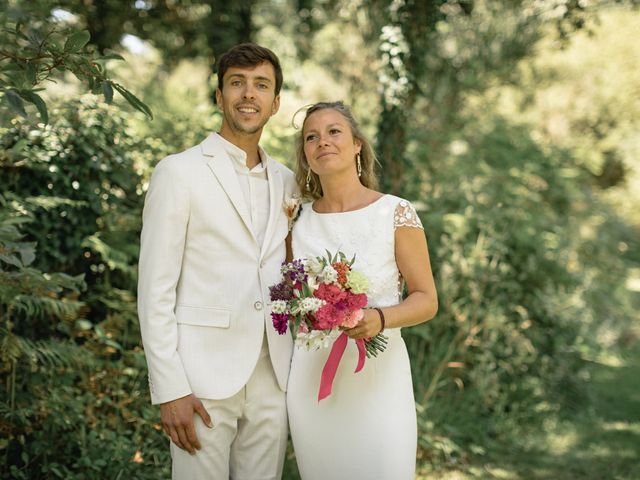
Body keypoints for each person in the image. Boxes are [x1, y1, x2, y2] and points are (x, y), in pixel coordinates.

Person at [137, 43, 297, 479]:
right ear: (219, 96)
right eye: (237, 84)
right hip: (200, 379)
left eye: (261, 85)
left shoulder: (289, 181)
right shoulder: (179, 172)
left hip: (273, 375)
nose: (249, 94)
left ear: (275, 103)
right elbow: (155, 289)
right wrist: (169, 388)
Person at [287, 101, 438, 479]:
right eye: (311, 137)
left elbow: (427, 300)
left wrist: (379, 318)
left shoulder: (395, 212)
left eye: (334, 131)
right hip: (312, 381)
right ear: (305, 154)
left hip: (379, 381)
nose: (323, 141)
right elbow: (290, 296)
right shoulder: (296, 220)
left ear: (357, 144)